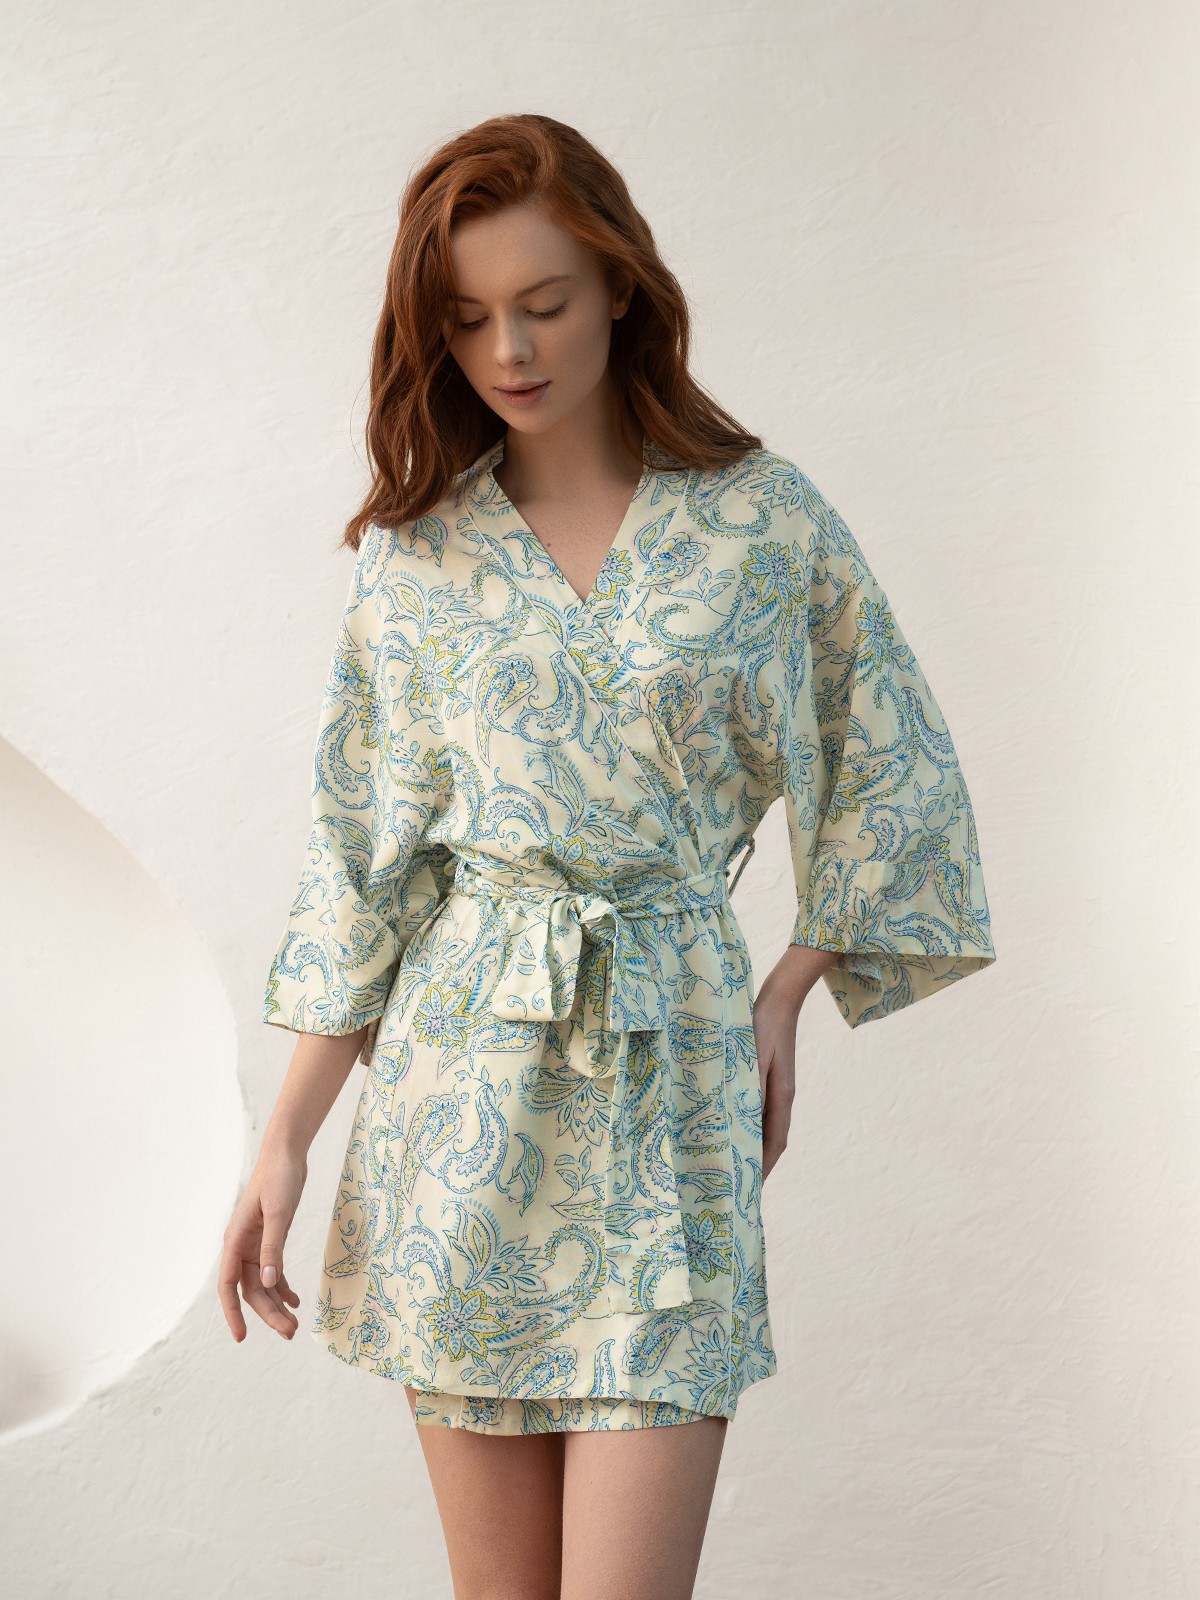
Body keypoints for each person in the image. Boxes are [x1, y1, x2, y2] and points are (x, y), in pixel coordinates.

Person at [218, 113, 996, 1600]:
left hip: (671, 1088)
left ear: (622, 286)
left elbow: (887, 756)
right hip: (461, 1099)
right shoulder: (421, 553)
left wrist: (786, 990)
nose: (508, 349)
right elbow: (365, 861)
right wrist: (285, 1139)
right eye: (467, 319)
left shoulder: (761, 522)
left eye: (545, 302)